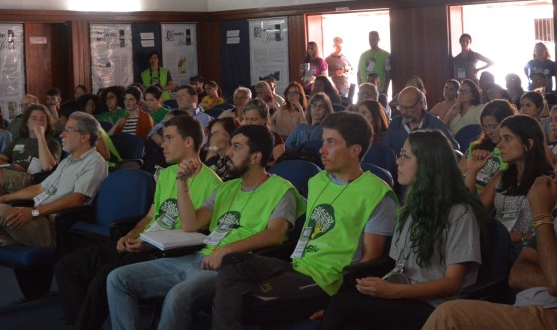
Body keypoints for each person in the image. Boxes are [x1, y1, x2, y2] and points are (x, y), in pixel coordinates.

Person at [106, 125, 305, 330]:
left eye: (236, 147)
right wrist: (182, 183)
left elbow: (276, 234)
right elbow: (191, 224)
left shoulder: (282, 190)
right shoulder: (225, 188)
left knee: (178, 296)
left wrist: (227, 250)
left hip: (230, 267)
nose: (228, 152)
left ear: (255, 157)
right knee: (118, 279)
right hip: (196, 257)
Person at [210, 112, 397, 329]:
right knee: (232, 261)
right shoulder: (317, 181)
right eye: (324, 141)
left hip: (327, 281)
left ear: (355, 150)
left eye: (331, 142)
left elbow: (370, 262)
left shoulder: (377, 194)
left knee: (240, 303)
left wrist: (341, 304)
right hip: (297, 265)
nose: (322, 149)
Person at [54, 115, 221, 330]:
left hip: (165, 252)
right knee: (67, 266)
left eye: (169, 138)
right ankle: (80, 321)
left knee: (104, 277)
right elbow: (150, 216)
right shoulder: (167, 174)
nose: (163, 144)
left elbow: (194, 233)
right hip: (142, 242)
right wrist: (131, 235)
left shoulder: (213, 185)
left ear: (188, 142)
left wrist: (147, 244)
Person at [319, 129, 486, 330]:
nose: (398, 162)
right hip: (403, 294)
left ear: (427, 164)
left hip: (436, 308)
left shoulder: (459, 213)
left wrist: (392, 291)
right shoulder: (411, 207)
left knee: (343, 307)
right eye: (400, 155)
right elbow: (400, 267)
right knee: (340, 305)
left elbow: (453, 282)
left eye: (405, 157)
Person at [422, 135, 557, 330]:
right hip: (528, 306)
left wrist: (541, 214)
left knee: (449, 316)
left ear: (528, 143)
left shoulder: (547, 205)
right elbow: (517, 275)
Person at [0, 111, 107, 312]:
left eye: (68, 130)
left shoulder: (95, 162)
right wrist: (5, 197)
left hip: (53, 227)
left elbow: (77, 198)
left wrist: (33, 212)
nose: (62, 135)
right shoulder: (67, 161)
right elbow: (41, 188)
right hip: (36, 220)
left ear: (84, 137)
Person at [466, 114, 553, 253]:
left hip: (526, 251)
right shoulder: (502, 177)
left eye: (507, 138)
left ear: (529, 144)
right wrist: (472, 170)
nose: (499, 145)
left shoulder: (547, 182)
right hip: (496, 246)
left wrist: (515, 237)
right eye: (500, 139)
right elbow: (475, 212)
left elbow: (551, 231)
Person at [0, 103, 61, 206]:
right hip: (15, 176)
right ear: (27, 122)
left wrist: (40, 136)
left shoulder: (53, 142)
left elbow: (47, 167)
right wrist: (12, 166)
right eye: (34, 118)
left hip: (34, 180)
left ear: (47, 123)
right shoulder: (20, 140)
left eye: (42, 119)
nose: (38, 122)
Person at [382, 87, 457, 158]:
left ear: (421, 104)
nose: (404, 112)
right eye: (400, 107)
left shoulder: (436, 126)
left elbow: (454, 151)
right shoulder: (395, 123)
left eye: (409, 108)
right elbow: (385, 151)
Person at [465, 99, 517, 187]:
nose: (489, 132)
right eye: (485, 127)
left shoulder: (515, 151)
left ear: (507, 123)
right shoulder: (476, 147)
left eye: (492, 126)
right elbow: (458, 174)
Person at [285, 92, 334, 161]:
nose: (317, 109)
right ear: (310, 107)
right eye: (314, 105)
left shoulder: (328, 130)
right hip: (296, 161)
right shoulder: (301, 126)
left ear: (326, 110)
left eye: (321, 106)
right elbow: (287, 144)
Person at [243, 98, 285, 163]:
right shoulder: (241, 137)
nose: (249, 123)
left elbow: (281, 163)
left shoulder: (275, 139)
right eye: (246, 119)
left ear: (265, 119)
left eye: (253, 119)